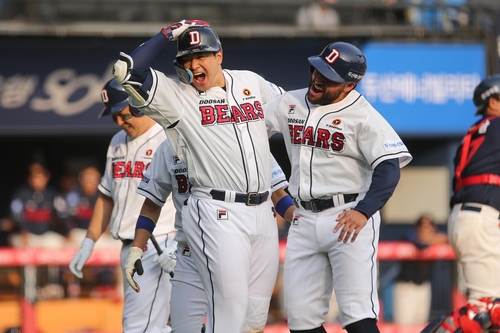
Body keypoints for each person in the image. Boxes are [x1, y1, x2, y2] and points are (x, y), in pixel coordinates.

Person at [113, 20, 287, 333]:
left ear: (219, 55)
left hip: (263, 213)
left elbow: (294, 111)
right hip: (216, 212)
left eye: (201, 55)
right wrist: (168, 34)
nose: (193, 65)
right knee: (227, 312)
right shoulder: (178, 98)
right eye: (185, 60)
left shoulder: (251, 82)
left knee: (254, 320)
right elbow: (126, 71)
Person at [264, 41, 413, 333]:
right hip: (303, 217)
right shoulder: (288, 102)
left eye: (328, 76)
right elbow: (247, 135)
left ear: (348, 86)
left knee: (358, 318)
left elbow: (388, 168)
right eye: (316, 69)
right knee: (301, 321)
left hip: (348, 215)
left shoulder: (363, 115)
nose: (317, 78)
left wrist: (364, 211)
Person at [124, 137, 295, 332]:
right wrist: (137, 248)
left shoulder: (240, 135)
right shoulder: (169, 146)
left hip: (233, 250)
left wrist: (301, 222)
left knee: (248, 325)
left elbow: (278, 194)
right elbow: (152, 202)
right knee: (184, 329)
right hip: (190, 256)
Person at [68, 78, 177, 333]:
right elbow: (107, 196)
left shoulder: (168, 138)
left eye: (124, 114)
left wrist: (180, 243)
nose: (119, 122)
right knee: (158, 326)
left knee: (139, 327)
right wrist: (88, 242)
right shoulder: (117, 141)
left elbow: (189, 195)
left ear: (139, 104)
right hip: (128, 248)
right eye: (114, 116)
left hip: (158, 245)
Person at [421, 75, 500, 333]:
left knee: (490, 314)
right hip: (481, 219)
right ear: (493, 102)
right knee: (487, 308)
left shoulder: (474, 134)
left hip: (469, 218)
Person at [64, 166, 119, 299]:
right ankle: (70, 285)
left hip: (100, 236)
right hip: (78, 234)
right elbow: (64, 218)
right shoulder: (73, 195)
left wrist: (109, 228)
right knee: (65, 246)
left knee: (119, 246)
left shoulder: (105, 196)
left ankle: (111, 286)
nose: (89, 181)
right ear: (81, 180)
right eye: (86, 178)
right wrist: (68, 231)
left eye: (92, 178)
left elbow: (115, 216)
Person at [392, 214, 448, 325]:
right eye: (421, 226)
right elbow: (421, 245)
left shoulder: (434, 240)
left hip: (423, 287)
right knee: (404, 326)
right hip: (407, 288)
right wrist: (436, 239)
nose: (424, 229)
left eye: (428, 226)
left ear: (433, 228)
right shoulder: (409, 237)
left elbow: (451, 240)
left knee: (421, 326)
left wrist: (438, 239)